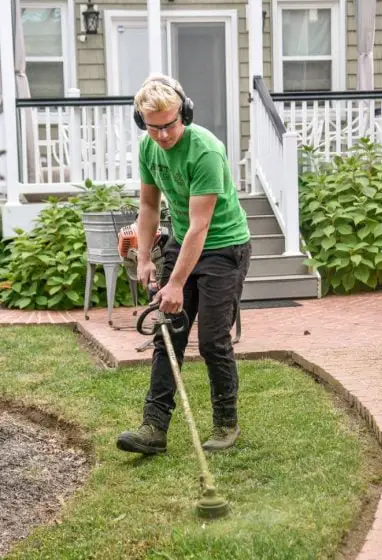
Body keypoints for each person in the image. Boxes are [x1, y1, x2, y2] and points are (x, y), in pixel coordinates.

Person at [116, 73, 251, 456]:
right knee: (167, 334)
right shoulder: (149, 147)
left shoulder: (204, 150)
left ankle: (226, 424)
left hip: (224, 247)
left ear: (185, 114)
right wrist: (143, 257)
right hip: (183, 241)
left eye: (169, 125)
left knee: (211, 339)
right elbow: (147, 206)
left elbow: (200, 226)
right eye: (153, 127)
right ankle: (153, 428)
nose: (161, 135)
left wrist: (175, 284)